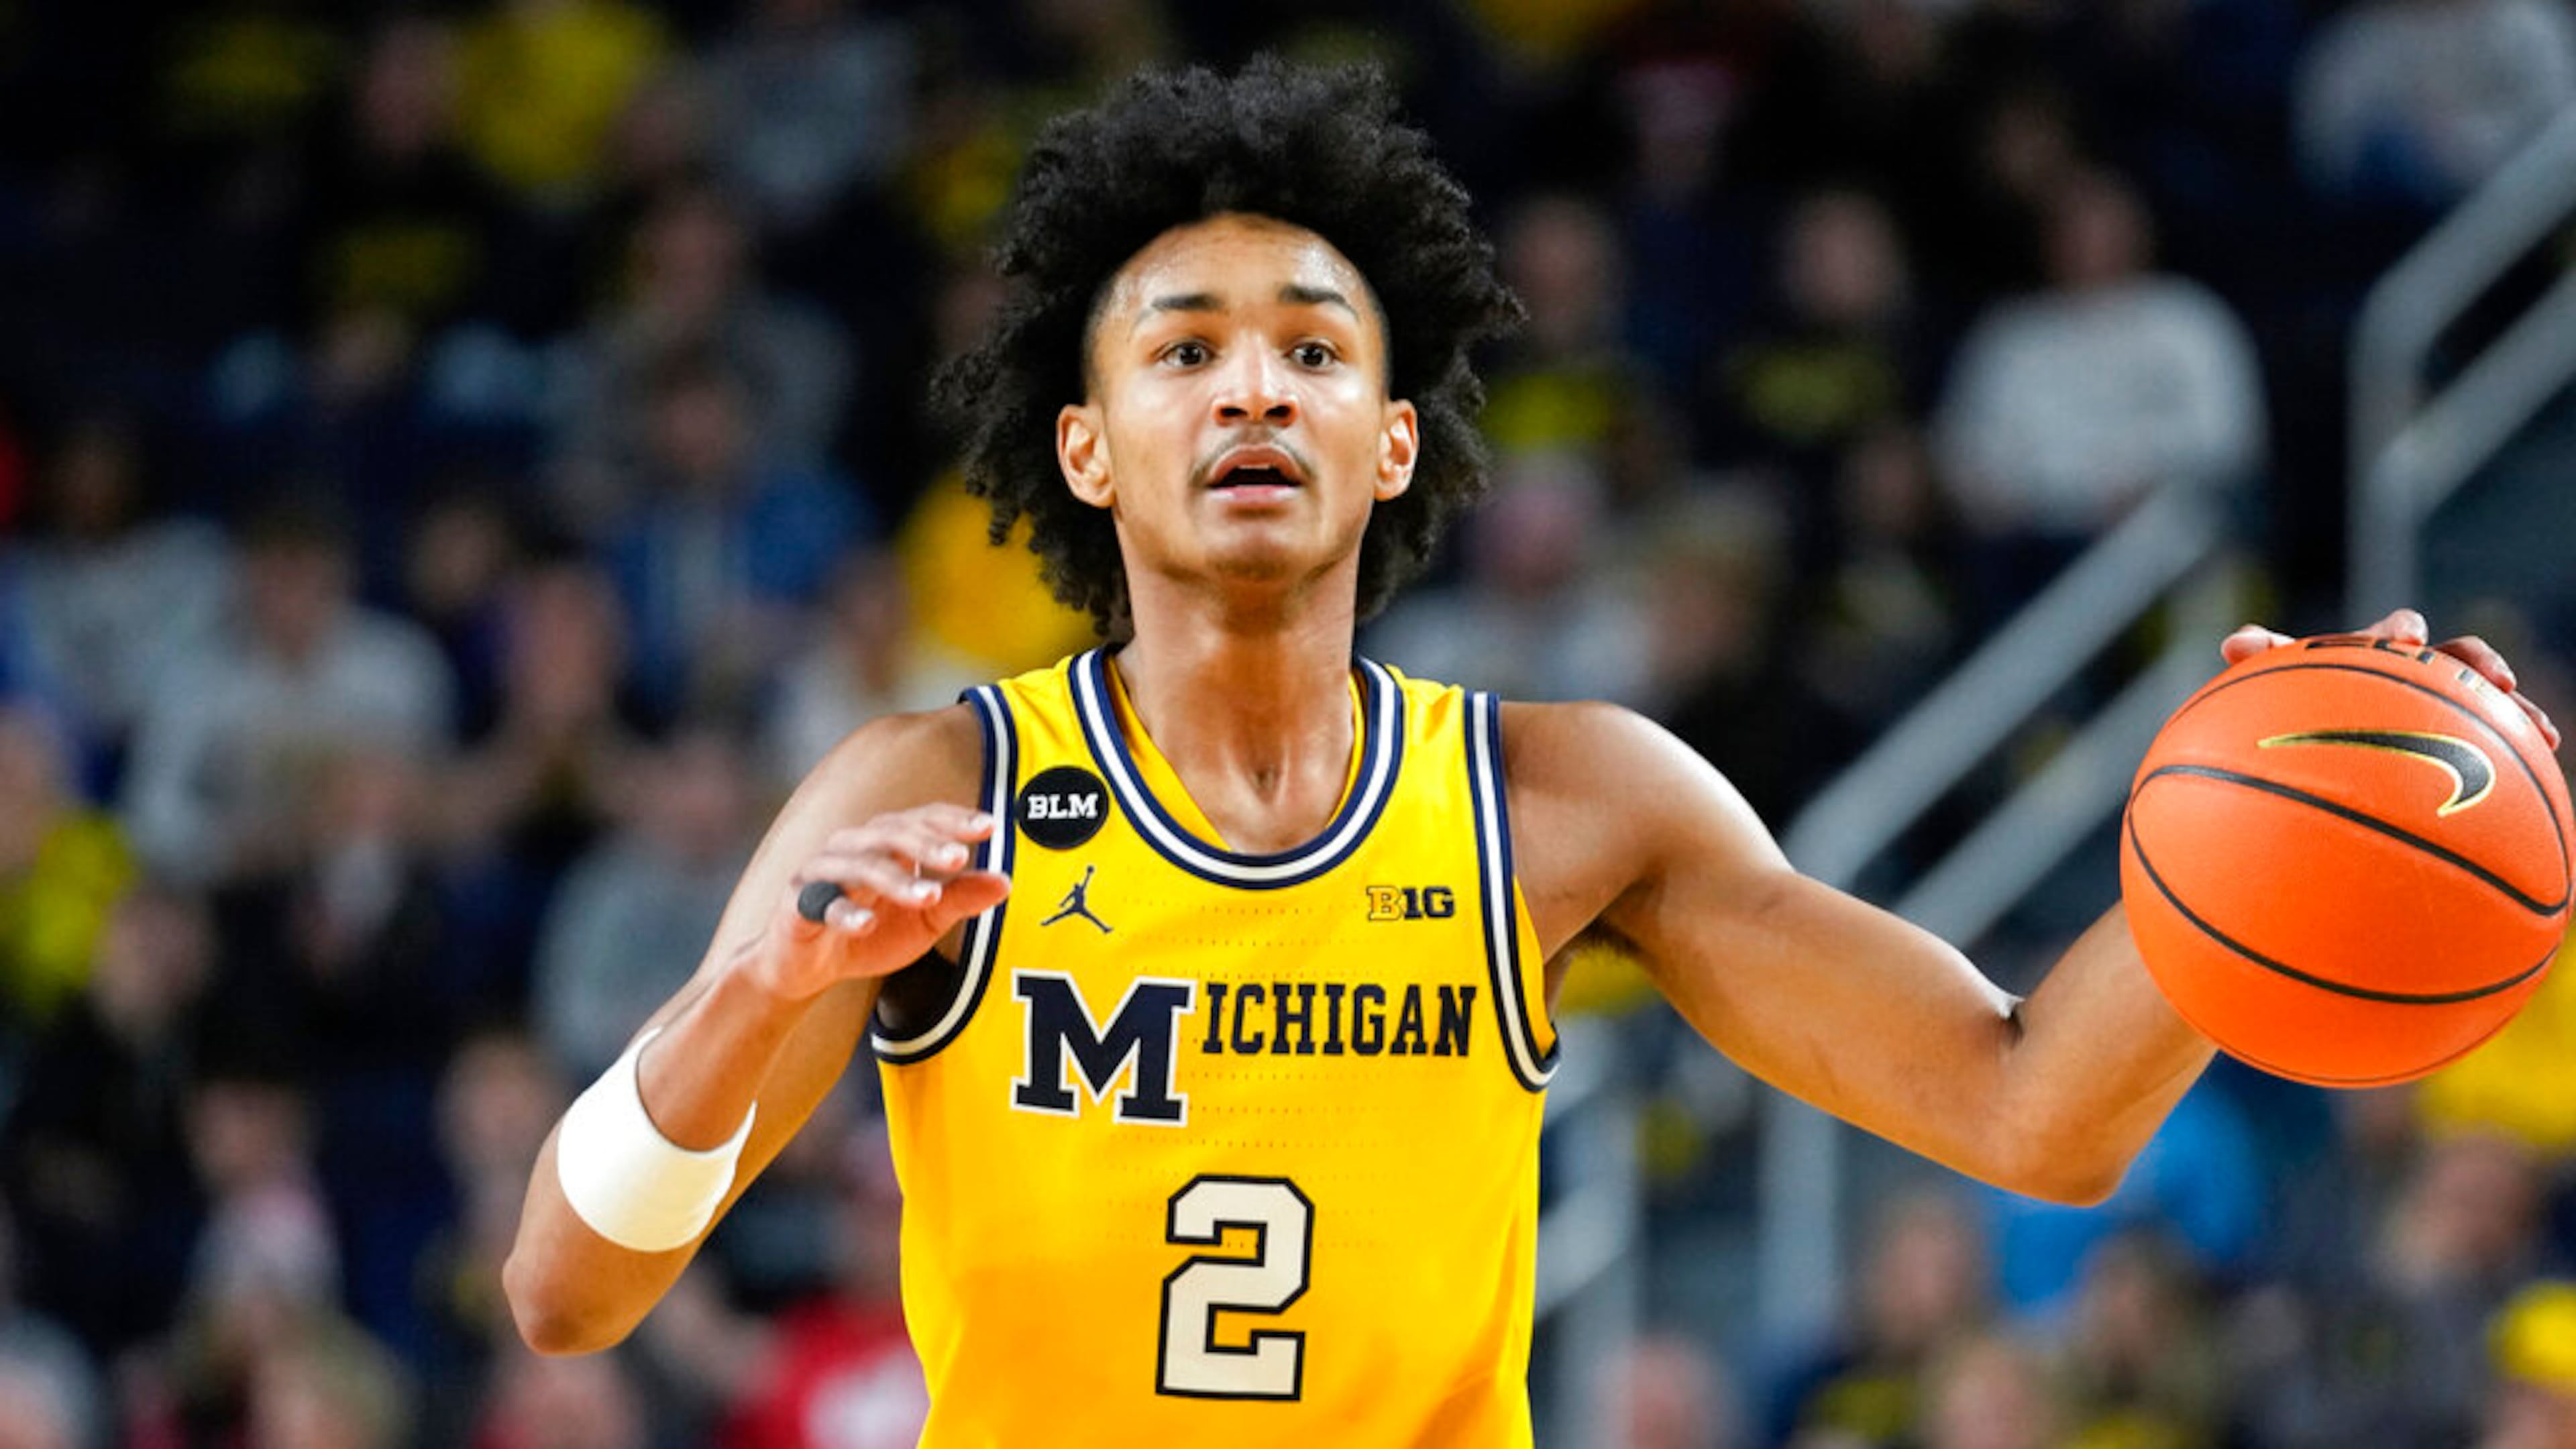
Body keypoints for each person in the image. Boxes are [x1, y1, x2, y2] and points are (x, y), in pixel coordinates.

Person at [502, 59, 2561, 1444]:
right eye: (1183, 351)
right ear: (1086, 447)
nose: (1254, 393)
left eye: (1315, 351)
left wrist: (2285, 834)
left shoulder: (1567, 803)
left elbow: (2033, 1112)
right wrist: (752, 999)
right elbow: (568, 1295)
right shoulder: (928, 793)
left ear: (1392, 443)